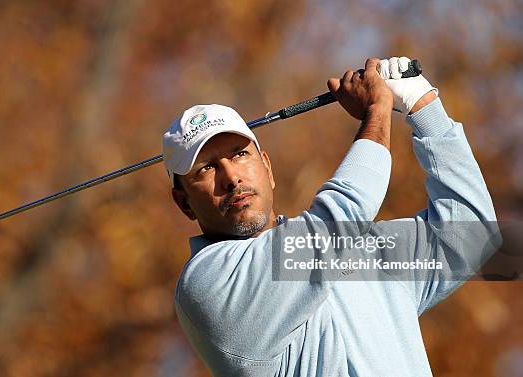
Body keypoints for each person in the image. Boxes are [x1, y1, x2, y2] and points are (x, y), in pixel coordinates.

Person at [162, 57, 500, 376]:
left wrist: (423, 106)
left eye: (239, 154)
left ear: (267, 166)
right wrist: (377, 111)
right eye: (206, 168)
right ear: (184, 203)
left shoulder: (357, 249)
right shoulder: (207, 282)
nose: (231, 177)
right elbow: (343, 214)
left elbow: (470, 236)